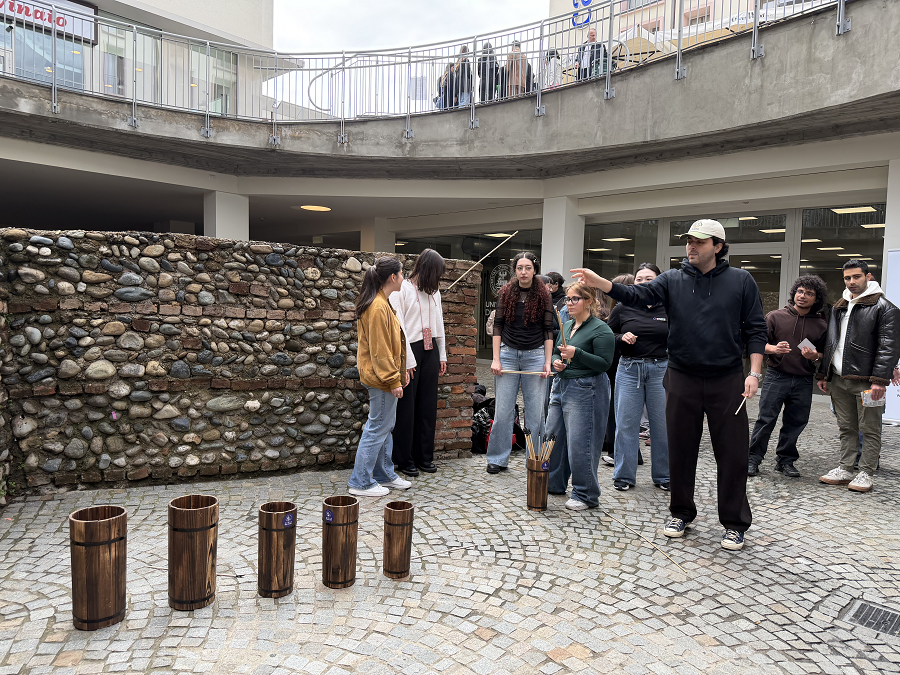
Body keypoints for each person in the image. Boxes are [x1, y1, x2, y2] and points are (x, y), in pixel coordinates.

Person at [572, 219, 767, 551]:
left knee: (732, 454)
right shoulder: (672, 279)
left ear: (718, 247)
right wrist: (601, 283)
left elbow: (756, 329)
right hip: (681, 376)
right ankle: (680, 513)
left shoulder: (741, 281)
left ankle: (734, 523)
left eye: (699, 242)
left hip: (727, 378)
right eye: (688, 241)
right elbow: (637, 294)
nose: (691, 247)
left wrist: (754, 373)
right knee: (680, 448)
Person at [817, 260, 899, 493]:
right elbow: (832, 342)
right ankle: (845, 468)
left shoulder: (885, 308)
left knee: (870, 428)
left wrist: (879, 379)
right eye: (847, 278)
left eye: (856, 277)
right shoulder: (840, 306)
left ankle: (866, 472)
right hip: (839, 378)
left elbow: (888, 347)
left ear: (868, 277)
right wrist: (824, 373)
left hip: (867, 381)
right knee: (846, 427)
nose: (851, 282)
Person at [748, 275, 828, 479]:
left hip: (803, 380)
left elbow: (824, 353)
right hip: (777, 376)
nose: (803, 296)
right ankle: (753, 459)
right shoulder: (775, 316)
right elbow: (757, 344)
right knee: (766, 419)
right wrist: (773, 349)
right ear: (794, 293)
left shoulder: (821, 325)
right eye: (800, 291)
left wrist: (815, 355)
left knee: (796, 422)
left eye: (809, 293)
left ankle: (785, 461)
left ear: (816, 299)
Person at [545, 283, 615, 509]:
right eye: (567, 299)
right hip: (562, 384)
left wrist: (578, 353)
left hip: (587, 387)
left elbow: (604, 364)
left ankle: (586, 494)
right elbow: (558, 349)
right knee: (553, 437)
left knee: (581, 442)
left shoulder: (601, 329)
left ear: (589, 301)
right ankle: (554, 483)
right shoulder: (566, 325)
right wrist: (557, 360)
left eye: (575, 299)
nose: (569, 303)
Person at [348, 257, 412, 497]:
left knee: (384, 426)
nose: (404, 277)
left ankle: (384, 474)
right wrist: (393, 380)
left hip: (382, 377)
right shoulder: (377, 306)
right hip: (381, 379)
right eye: (402, 273)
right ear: (393, 277)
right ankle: (361, 481)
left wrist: (398, 372)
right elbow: (380, 350)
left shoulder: (382, 302)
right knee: (377, 427)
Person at [486, 252, 554, 474]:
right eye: (519, 268)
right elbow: (497, 326)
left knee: (535, 414)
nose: (523, 272)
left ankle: (534, 458)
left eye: (528, 268)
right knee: (503, 411)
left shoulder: (543, 294)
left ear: (535, 270)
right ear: (515, 270)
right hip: (507, 354)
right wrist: (496, 358)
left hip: (535, 355)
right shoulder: (506, 292)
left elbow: (548, 330)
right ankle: (497, 458)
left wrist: (547, 362)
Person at [607, 263, 669, 492]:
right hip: (629, 368)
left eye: (648, 278)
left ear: (659, 281)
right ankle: (624, 476)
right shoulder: (623, 307)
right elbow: (607, 334)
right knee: (626, 424)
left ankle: (663, 476)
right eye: (639, 280)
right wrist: (621, 336)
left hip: (661, 369)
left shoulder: (669, 307)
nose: (643, 283)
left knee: (661, 425)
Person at [390, 249, 448, 478]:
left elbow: (439, 323)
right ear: (427, 270)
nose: (439, 280)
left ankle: (425, 456)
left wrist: (442, 354)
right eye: (437, 274)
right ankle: (405, 459)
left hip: (430, 349)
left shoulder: (434, 292)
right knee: (407, 407)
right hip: (410, 349)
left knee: (427, 405)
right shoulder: (402, 289)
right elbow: (399, 326)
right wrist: (407, 361)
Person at [600, 273, 632, 466]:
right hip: (617, 361)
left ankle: (616, 449)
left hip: (619, 362)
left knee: (618, 409)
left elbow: (608, 334)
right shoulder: (619, 309)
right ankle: (621, 450)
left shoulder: (622, 308)